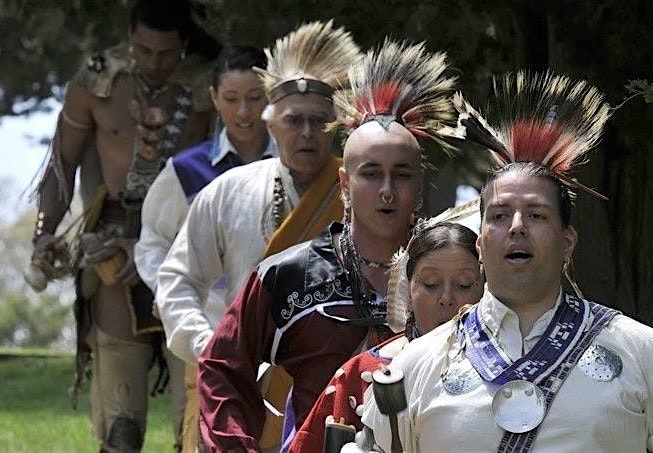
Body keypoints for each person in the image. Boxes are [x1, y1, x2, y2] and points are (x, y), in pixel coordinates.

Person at [362, 71, 653, 452]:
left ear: (568, 242)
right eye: (499, 216)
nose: (516, 227)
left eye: (536, 215)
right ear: (480, 244)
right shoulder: (414, 367)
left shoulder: (639, 352)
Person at [196, 39, 457, 452]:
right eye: (371, 174)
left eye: (402, 175)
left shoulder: (456, 271)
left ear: (419, 185)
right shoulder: (287, 276)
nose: (387, 190)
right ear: (344, 184)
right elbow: (222, 368)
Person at [155, 20, 359, 449]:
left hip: (339, 394)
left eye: (318, 122)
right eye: (294, 121)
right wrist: (210, 345)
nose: (306, 132)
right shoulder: (229, 192)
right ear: (272, 127)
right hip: (241, 388)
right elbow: (177, 279)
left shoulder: (366, 191)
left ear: (337, 126)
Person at [26, 0, 219, 451]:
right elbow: (61, 162)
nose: (153, 63)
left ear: (184, 45)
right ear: (130, 40)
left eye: (165, 54)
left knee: (192, 421)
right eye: (143, 51)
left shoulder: (212, 85)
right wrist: (43, 235)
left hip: (190, 246)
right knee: (121, 428)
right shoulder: (96, 79)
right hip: (112, 248)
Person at [134, 45, 274, 452]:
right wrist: (169, 293)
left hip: (277, 339)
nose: (244, 112)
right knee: (197, 434)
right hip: (203, 334)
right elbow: (153, 244)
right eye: (231, 99)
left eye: (254, 97)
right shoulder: (186, 170)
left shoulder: (296, 165)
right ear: (213, 98)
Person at [289, 219, 484, 453]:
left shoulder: (511, 367)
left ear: (485, 289)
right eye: (430, 284)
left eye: (464, 285)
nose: (446, 298)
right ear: (408, 292)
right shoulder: (360, 374)